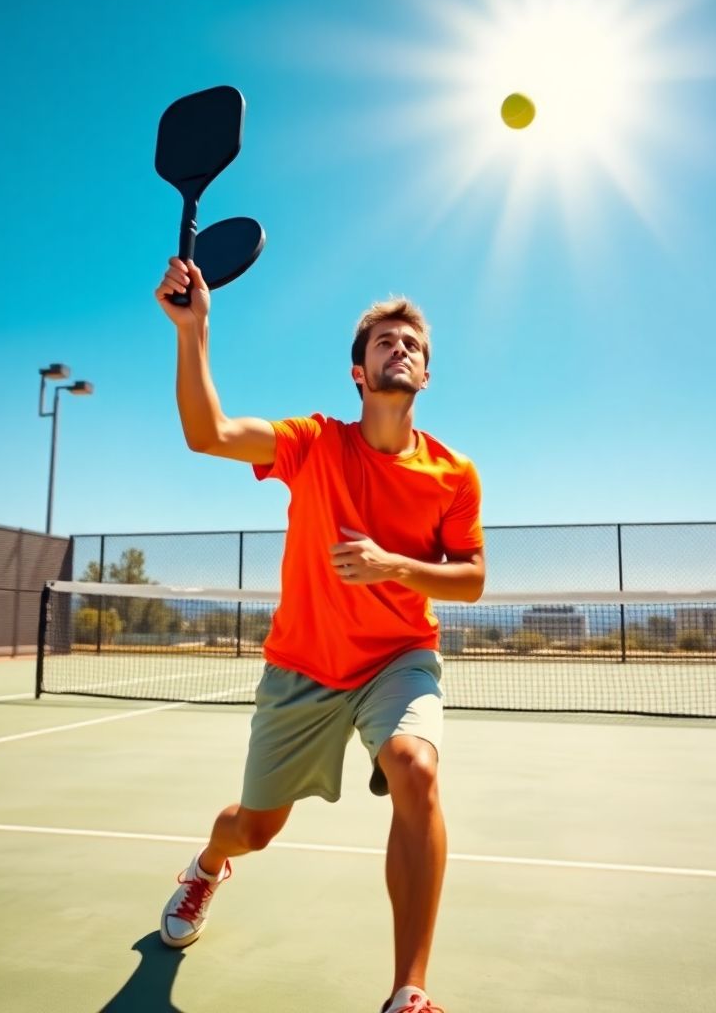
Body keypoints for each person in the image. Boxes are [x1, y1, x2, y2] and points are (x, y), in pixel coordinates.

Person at [153, 257, 486, 1013]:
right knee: (253, 829)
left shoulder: (454, 474)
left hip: (398, 659)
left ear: (426, 377)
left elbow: (470, 579)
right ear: (358, 374)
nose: (400, 349)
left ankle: (409, 991)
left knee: (416, 768)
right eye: (384, 344)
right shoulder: (313, 443)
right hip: (302, 668)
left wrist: (392, 566)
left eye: (413, 345)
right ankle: (207, 867)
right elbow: (208, 433)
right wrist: (193, 329)